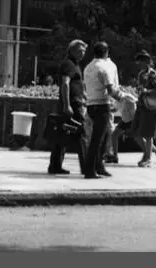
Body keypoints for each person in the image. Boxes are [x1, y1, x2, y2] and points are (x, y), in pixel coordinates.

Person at [82, 41, 125, 179]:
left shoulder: (88, 67)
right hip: (102, 105)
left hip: (91, 104)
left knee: (104, 136)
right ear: (106, 52)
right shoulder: (104, 68)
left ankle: (99, 166)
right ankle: (90, 169)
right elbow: (111, 90)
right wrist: (124, 97)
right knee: (98, 139)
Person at [47, 40, 88, 176]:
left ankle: (55, 166)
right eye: (79, 51)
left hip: (76, 103)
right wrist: (67, 105)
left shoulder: (75, 65)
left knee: (62, 135)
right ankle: (86, 167)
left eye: (83, 51)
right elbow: (65, 84)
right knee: (82, 134)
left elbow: (78, 86)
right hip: (73, 105)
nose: (82, 54)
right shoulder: (68, 65)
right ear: (71, 51)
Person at [132, 51, 156, 167]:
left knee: (148, 135)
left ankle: (147, 158)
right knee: (135, 133)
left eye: (141, 61)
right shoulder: (141, 74)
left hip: (150, 107)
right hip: (141, 105)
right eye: (138, 61)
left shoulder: (154, 75)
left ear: (147, 62)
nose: (139, 64)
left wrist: (147, 91)